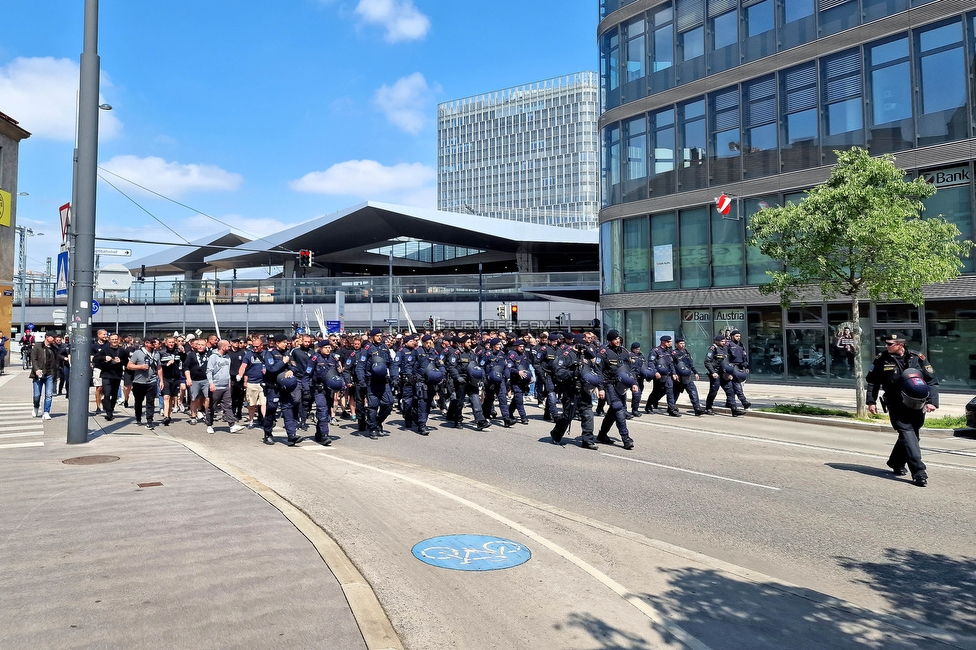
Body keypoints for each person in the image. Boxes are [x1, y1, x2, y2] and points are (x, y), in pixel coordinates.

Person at [866, 334, 939, 487]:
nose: (886, 346)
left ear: (900, 345)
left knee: (912, 437)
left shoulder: (917, 357)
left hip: (917, 404)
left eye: (890, 344)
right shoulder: (882, 359)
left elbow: (931, 381)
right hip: (896, 404)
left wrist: (932, 402)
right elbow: (873, 381)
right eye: (886, 343)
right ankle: (919, 472)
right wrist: (871, 401)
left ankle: (895, 462)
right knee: (907, 434)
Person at [596, 330, 636, 450]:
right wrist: (601, 388)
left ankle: (602, 435)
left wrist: (633, 382)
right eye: (615, 339)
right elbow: (598, 371)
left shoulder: (624, 352)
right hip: (609, 384)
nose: (617, 341)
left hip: (622, 385)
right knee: (619, 409)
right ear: (609, 340)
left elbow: (631, 369)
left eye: (618, 338)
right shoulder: (603, 352)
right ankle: (626, 438)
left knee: (613, 411)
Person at [206, 339, 244, 434]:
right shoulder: (213, 357)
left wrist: (229, 382)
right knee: (212, 407)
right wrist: (211, 383)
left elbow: (227, 372)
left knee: (228, 405)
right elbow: (209, 371)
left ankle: (232, 425)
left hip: (226, 386)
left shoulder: (227, 357)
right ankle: (209, 425)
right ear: (223, 347)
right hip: (216, 386)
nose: (230, 348)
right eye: (228, 346)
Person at [127, 337, 160, 428]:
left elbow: (159, 368)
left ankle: (149, 420)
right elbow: (129, 366)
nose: (154, 345)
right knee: (138, 401)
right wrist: (140, 367)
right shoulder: (138, 353)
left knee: (150, 401)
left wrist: (161, 380)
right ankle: (138, 417)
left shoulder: (156, 354)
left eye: (155, 343)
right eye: (152, 343)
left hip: (152, 381)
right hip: (139, 382)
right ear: (146, 343)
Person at [645, 335, 681, 417]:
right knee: (657, 392)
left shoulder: (669, 351)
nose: (670, 343)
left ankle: (671, 409)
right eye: (669, 342)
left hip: (668, 375)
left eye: (671, 341)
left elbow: (671, 364)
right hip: (659, 375)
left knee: (670, 390)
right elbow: (651, 363)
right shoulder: (655, 351)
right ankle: (648, 406)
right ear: (663, 342)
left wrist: (674, 373)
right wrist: (655, 372)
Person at [671, 338, 705, 416]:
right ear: (676, 344)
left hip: (687, 375)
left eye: (683, 343)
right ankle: (671, 408)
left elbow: (691, 363)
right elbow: (672, 365)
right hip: (678, 377)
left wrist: (696, 372)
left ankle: (697, 409)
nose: (682, 345)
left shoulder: (686, 352)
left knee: (693, 391)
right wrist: (674, 374)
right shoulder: (674, 353)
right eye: (680, 343)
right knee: (675, 393)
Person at [30, 333, 59, 420]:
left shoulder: (54, 349)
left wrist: (57, 374)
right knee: (37, 395)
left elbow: (56, 363)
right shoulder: (38, 346)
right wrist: (36, 369)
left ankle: (46, 412)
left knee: (49, 395)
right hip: (38, 374)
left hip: (50, 374)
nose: (54, 339)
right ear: (47, 337)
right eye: (52, 337)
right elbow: (33, 359)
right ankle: (36, 407)